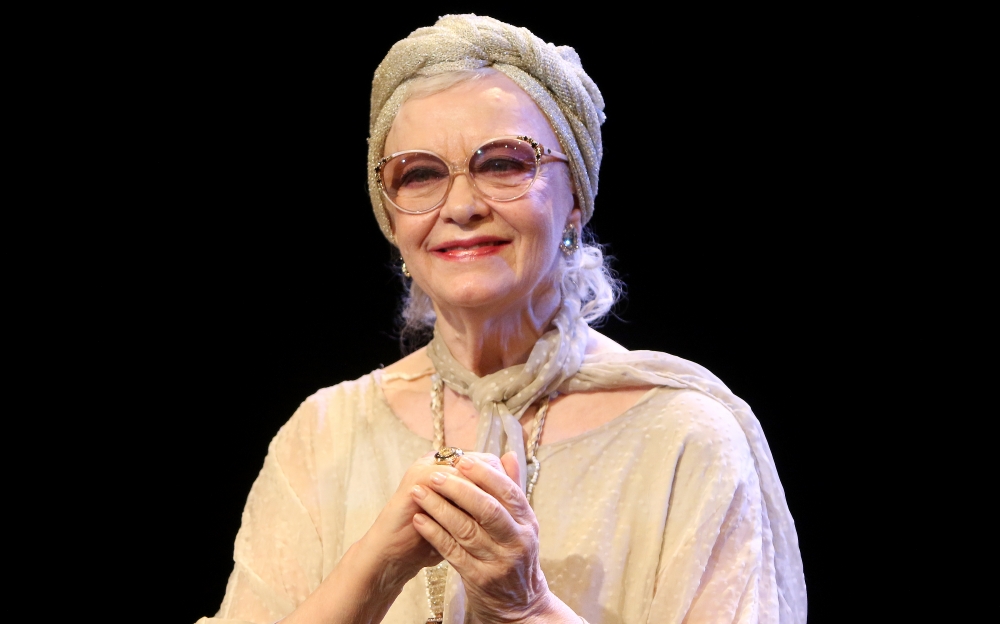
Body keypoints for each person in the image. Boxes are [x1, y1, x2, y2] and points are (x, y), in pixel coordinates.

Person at [197, 14, 806, 624]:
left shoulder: (684, 437)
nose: (461, 206)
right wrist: (373, 568)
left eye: (505, 164)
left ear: (574, 200)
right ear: (392, 220)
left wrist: (527, 608)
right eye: (420, 174)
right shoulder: (324, 436)